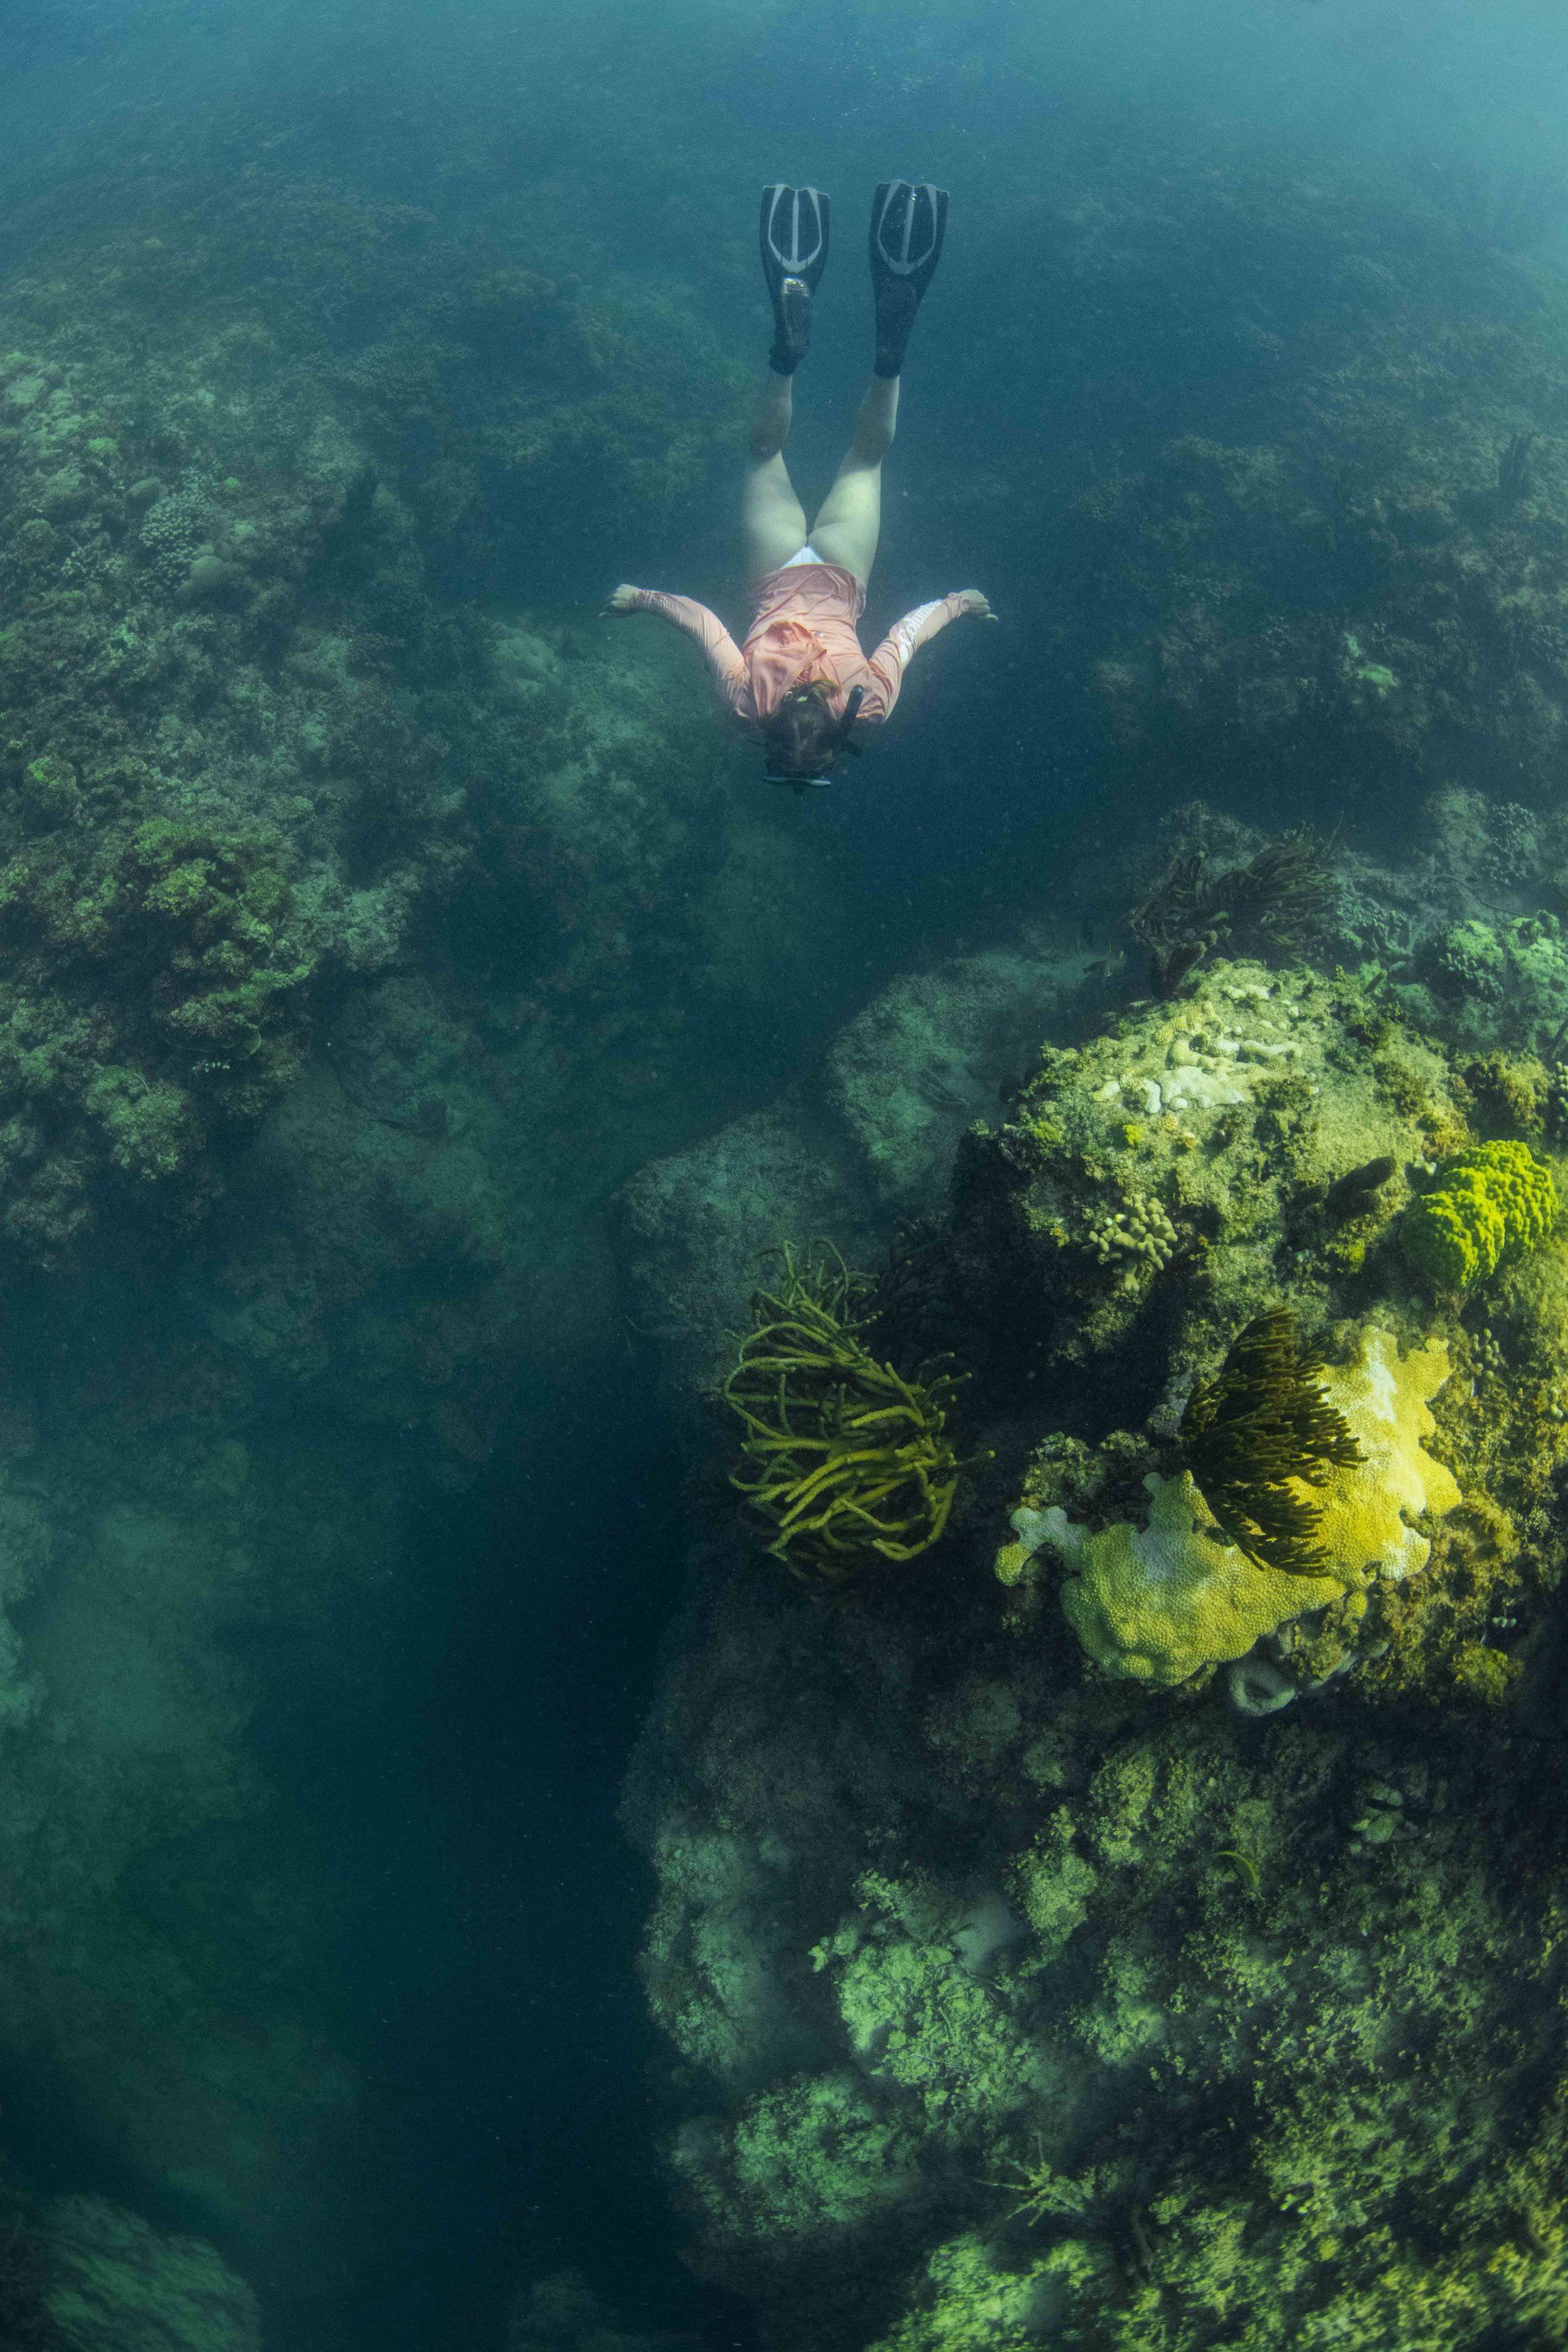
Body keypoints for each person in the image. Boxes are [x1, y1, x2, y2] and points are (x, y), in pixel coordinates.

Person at [603, 181, 997, 790]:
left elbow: (906, 636)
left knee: (865, 460)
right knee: (765, 454)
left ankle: (890, 354)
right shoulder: (745, 708)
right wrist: (641, 599)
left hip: (842, 571)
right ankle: (786, 357)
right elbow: (703, 623)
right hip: (776, 570)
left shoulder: (868, 707)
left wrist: (959, 605)